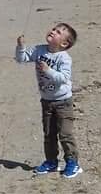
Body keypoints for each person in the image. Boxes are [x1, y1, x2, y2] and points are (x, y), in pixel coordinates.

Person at [16, 23, 82, 178]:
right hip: (46, 101)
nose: (53, 31)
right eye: (53, 29)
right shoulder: (39, 50)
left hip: (63, 102)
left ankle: (73, 162)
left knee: (65, 133)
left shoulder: (64, 58)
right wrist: (20, 47)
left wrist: (48, 70)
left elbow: (64, 78)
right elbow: (21, 59)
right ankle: (51, 161)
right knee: (49, 133)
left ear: (64, 43)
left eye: (58, 32)